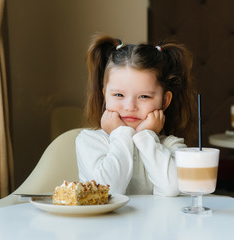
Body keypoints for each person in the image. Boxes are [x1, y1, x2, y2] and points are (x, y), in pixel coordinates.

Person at [75, 34, 198, 196]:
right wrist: (121, 134)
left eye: (144, 96)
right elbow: (107, 191)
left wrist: (146, 136)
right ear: (105, 95)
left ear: (165, 101)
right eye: (118, 95)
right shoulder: (89, 141)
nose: (130, 107)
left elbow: (172, 188)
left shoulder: (170, 146)